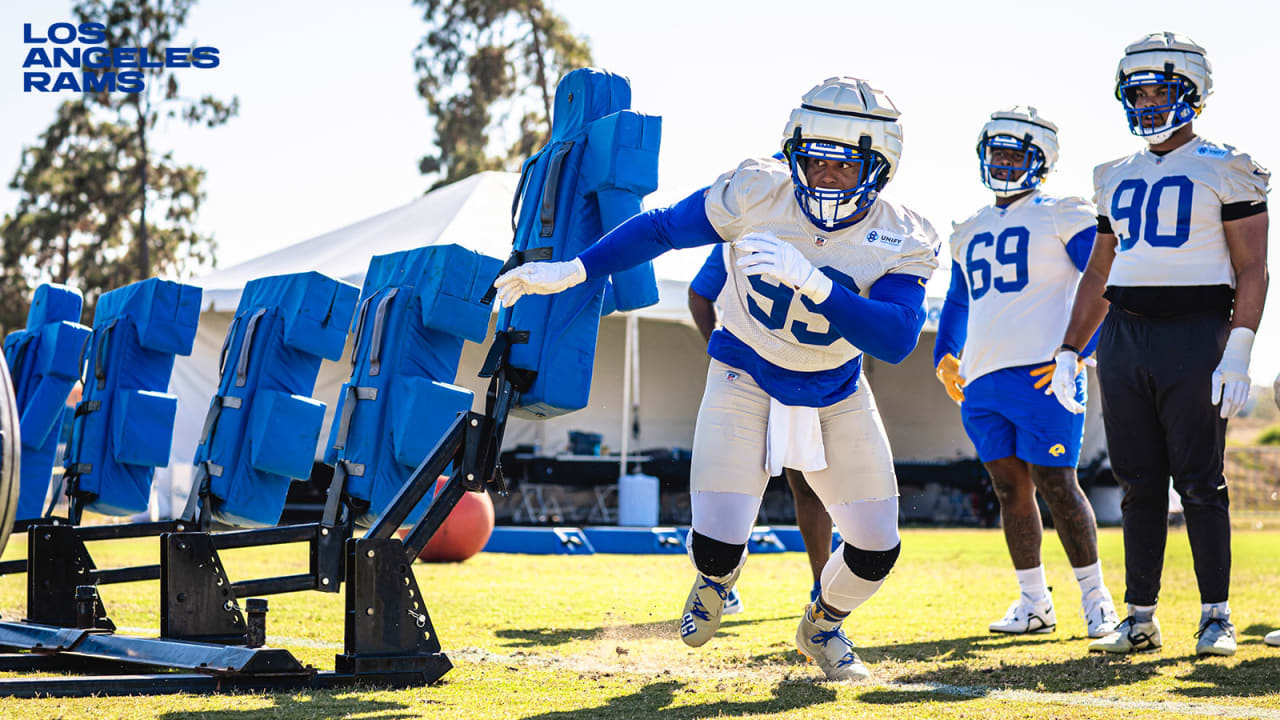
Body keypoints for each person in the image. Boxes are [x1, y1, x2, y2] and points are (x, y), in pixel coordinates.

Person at [495, 76, 939, 681]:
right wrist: (575, 270)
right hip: (746, 369)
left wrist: (811, 281)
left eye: (845, 165)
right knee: (717, 547)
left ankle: (822, 626)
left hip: (834, 386)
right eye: (813, 160)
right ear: (792, 151)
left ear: (880, 165)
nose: (824, 176)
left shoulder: (900, 233)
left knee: (876, 547)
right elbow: (660, 229)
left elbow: (893, 339)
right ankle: (718, 579)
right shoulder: (756, 191)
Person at [1051, 32, 1269, 657]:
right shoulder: (1112, 174)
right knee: (1138, 481)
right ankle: (1140, 616)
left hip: (1197, 330)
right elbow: (1099, 272)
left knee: (1201, 480)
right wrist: (1072, 347)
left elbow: (1253, 268)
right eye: (1137, 93)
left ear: (1193, 94)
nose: (1147, 103)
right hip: (1125, 334)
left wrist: (1239, 347)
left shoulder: (1227, 164)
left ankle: (1216, 615)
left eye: (1160, 91)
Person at [934, 107, 1120, 640]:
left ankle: (1095, 600)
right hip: (985, 376)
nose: (1002, 162)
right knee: (1007, 488)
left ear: (1040, 161)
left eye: (1014, 154)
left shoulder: (1063, 211)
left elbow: (1103, 278)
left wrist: (1079, 352)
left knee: (1058, 484)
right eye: (996, 153)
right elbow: (958, 300)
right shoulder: (968, 227)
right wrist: (945, 355)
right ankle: (1034, 602)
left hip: (1046, 370)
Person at [688, 243, 833, 612]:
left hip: (802, 376)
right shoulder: (743, 233)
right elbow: (698, 294)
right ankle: (718, 579)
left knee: (810, 484)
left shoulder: (833, 234)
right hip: (748, 381)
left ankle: (821, 585)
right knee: (733, 482)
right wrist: (726, 357)